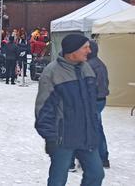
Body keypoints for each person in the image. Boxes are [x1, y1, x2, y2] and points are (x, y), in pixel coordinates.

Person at [35, 34, 104, 185]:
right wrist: (51, 137)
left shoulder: (87, 68)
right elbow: (43, 110)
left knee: (96, 174)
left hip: (86, 135)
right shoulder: (51, 72)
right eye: (85, 47)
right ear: (73, 51)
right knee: (57, 180)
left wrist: (94, 127)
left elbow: (92, 104)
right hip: (62, 138)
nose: (89, 50)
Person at [70, 40, 110, 169]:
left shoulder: (89, 66)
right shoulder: (100, 64)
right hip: (100, 100)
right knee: (97, 128)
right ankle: (102, 157)